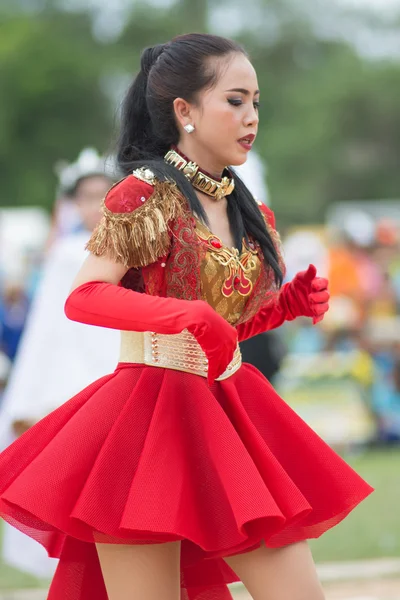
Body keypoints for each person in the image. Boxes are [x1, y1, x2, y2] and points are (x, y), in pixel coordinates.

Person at [0, 34, 373, 600]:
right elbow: (85, 297)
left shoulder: (248, 207)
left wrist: (282, 308)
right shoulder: (144, 195)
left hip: (229, 412)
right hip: (148, 421)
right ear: (185, 111)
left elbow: (223, 332)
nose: (251, 117)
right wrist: (187, 315)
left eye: (256, 103)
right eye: (235, 100)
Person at [0, 148, 120, 578]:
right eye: (85, 196)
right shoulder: (67, 253)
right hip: (71, 381)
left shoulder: (130, 246)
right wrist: (31, 396)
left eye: (103, 193)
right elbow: (45, 331)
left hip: (120, 373)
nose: (95, 204)